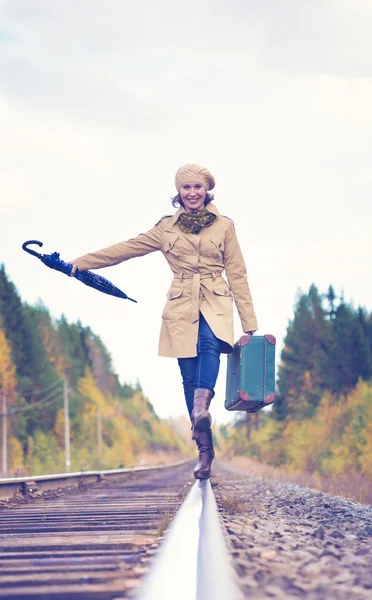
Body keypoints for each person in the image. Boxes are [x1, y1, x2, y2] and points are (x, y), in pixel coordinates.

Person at [69, 163, 258, 479]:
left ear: (206, 191)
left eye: (197, 187)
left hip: (215, 298)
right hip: (181, 303)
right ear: (179, 193)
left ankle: (201, 410)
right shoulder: (165, 229)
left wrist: (249, 324)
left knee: (210, 345)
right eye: (186, 188)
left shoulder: (224, 226)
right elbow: (125, 249)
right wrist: (80, 263)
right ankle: (204, 450)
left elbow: (237, 272)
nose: (192, 193)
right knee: (187, 375)